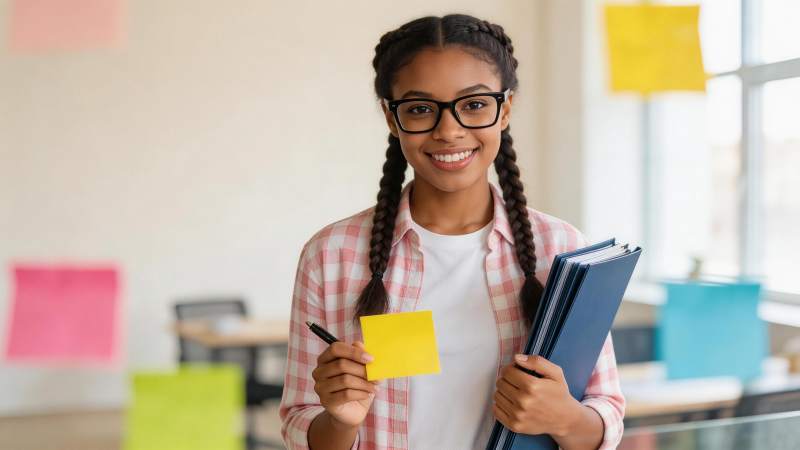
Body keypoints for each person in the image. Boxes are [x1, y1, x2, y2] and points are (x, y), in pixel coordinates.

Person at [279, 14, 625, 450]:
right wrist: (341, 420)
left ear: (506, 109)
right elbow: (299, 424)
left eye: (475, 104)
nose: (449, 130)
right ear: (391, 117)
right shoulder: (331, 255)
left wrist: (565, 417)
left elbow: (606, 414)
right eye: (421, 109)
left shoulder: (562, 248)